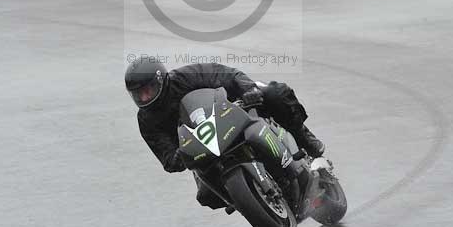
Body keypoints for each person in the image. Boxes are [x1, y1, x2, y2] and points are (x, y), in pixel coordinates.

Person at [125, 56, 326, 177]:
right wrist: (180, 156)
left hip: (228, 114)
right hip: (202, 151)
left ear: (161, 80)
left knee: (274, 93)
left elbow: (227, 74)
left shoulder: (186, 77)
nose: (144, 97)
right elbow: (167, 159)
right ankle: (244, 198)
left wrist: (248, 90)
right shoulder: (146, 120)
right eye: (138, 94)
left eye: (147, 90)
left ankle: (306, 142)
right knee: (206, 196)